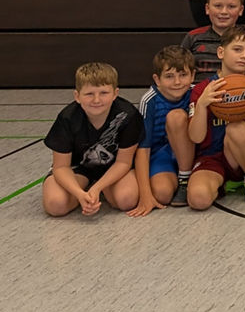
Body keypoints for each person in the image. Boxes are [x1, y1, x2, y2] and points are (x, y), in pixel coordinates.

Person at [43, 62, 142, 217]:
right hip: (78, 168)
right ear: (77, 96)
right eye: (89, 94)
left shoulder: (128, 116)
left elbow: (124, 162)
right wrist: (79, 194)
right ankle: (86, 191)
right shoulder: (67, 118)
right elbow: (61, 167)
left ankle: (99, 187)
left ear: (115, 93)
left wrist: (97, 188)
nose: (96, 100)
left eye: (103, 93)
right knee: (56, 205)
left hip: (114, 167)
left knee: (126, 200)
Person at [187, 25, 245, 210]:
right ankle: (224, 183)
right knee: (198, 200)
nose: (243, 56)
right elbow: (195, 137)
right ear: (220, 52)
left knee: (237, 128)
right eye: (237, 49)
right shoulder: (203, 89)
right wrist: (202, 105)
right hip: (212, 158)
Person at [129, 46, 197, 214]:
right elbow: (142, 150)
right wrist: (145, 195)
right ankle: (179, 179)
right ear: (157, 79)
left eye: (183, 75)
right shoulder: (149, 101)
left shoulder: (196, 92)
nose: (177, 82)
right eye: (169, 76)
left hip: (191, 151)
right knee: (162, 193)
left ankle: (185, 178)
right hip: (161, 153)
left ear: (193, 75)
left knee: (177, 116)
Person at [180, 0, 245, 82]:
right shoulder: (193, 37)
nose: (224, 12)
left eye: (231, 6)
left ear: (241, 10)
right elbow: (180, 71)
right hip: (199, 92)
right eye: (218, 6)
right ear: (207, 8)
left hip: (238, 92)